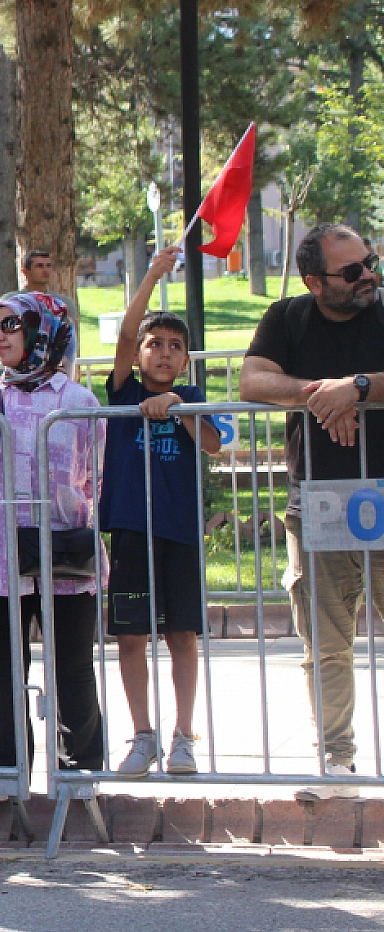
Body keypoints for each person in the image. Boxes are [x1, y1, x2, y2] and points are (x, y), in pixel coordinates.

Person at [240, 223, 384, 799]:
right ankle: (336, 758)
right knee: (326, 641)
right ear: (315, 281)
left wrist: (360, 388)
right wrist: (320, 394)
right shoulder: (287, 316)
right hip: (319, 497)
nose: (368, 274)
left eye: (369, 261)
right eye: (352, 271)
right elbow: (253, 381)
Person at [0, 292, 104, 772]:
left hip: (64, 551)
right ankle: (7, 774)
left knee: (73, 668)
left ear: (44, 331)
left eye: (13, 324)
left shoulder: (78, 401)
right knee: (5, 671)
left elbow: (95, 477)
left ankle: (80, 774)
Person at [102, 248, 221, 778]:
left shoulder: (193, 396)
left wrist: (179, 405)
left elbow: (216, 444)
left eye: (175, 347)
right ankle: (142, 736)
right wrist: (151, 274)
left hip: (180, 533)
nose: (163, 353)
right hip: (130, 531)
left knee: (181, 637)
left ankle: (183, 738)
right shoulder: (123, 389)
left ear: (186, 359)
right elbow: (126, 336)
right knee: (132, 637)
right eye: (156, 345)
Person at [20, 250, 81, 332]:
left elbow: (72, 336)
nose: (45, 270)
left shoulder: (63, 303)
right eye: (39, 266)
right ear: (26, 272)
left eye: (48, 266)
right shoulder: (12, 300)